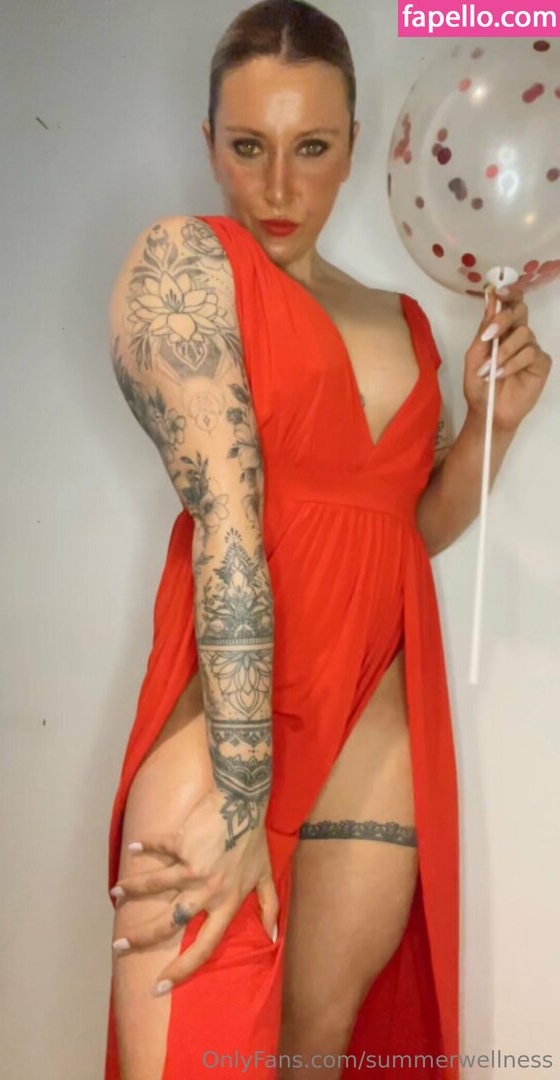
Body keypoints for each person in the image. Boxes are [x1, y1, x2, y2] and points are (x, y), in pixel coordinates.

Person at [103, 2, 552, 1078]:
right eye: (247, 146)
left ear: (353, 146)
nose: (276, 188)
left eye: (310, 149)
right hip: (229, 726)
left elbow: (402, 533)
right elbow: (229, 524)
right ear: (208, 140)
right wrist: (242, 798)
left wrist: (492, 429)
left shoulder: (405, 322)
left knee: (320, 1056)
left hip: (375, 730)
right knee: (204, 1054)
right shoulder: (186, 268)